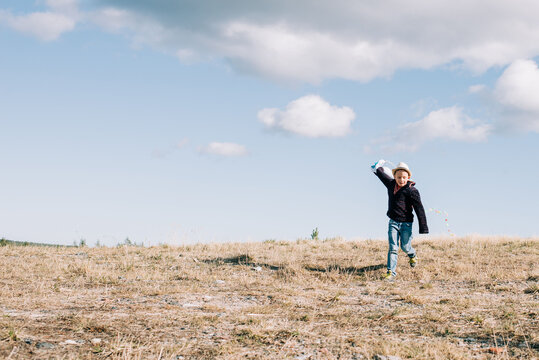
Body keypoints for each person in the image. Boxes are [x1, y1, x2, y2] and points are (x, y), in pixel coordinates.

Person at [371, 160, 428, 280]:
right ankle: (391, 273)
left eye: (404, 177)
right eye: (398, 177)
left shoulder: (412, 191)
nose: (401, 180)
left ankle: (412, 254)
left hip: (406, 223)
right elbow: (381, 174)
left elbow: (419, 209)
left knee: (405, 247)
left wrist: (423, 227)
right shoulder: (391, 184)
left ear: (408, 177)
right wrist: (377, 167)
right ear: (394, 177)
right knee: (393, 247)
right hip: (393, 222)